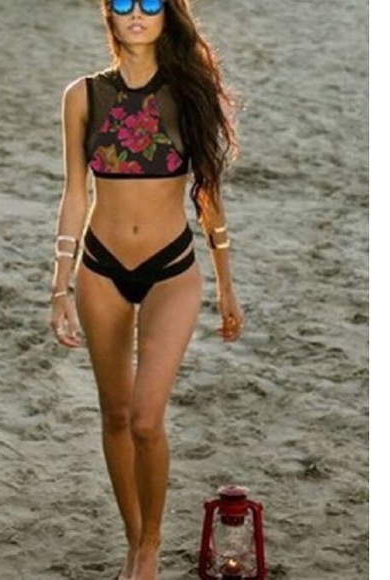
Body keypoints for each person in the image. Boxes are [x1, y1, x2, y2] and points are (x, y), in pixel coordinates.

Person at [49, 1, 244, 578]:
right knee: (113, 415)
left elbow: (207, 195)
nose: (137, 12)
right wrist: (60, 285)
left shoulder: (188, 93)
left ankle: (153, 545)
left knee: (143, 419)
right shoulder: (82, 96)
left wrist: (226, 285)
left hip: (171, 269)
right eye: (123, 3)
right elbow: (75, 193)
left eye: (151, 2)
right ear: (108, 16)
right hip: (100, 267)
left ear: (167, 16)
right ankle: (134, 543)